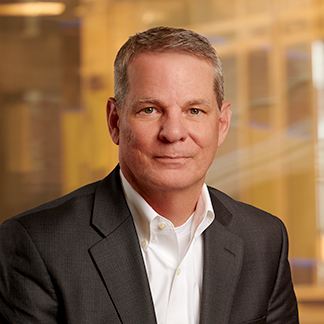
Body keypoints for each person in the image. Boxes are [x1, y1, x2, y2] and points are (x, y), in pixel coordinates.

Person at [0, 26, 298, 324]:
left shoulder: (264, 240)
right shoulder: (38, 245)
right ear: (115, 121)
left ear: (221, 124)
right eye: (150, 110)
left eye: (194, 111)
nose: (173, 133)